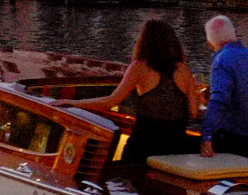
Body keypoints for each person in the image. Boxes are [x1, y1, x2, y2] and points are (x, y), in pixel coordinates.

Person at [65, 19, 202, 164]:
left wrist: (73, 103)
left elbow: (111, 101)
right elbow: (193, 112)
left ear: (144, 42)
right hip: (175, 147)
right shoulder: (184, 70)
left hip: (144, 145)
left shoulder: (138, 67)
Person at [199, 15, 248, 160]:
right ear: (234, 34)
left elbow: (219, 100)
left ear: (210, 43)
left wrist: (206, 136)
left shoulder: (222, 60)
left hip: (235, 141)